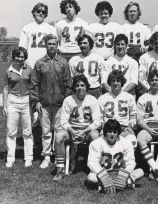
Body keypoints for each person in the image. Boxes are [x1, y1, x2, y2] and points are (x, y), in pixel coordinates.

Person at [30, 34, 71, 169]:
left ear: (57, 45)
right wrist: (36, 101)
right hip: (45, 103)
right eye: (49, 44)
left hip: (60, 103)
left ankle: (58, 155)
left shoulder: (63, 62)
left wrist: (66, 100)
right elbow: (34, 83)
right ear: (45, 45)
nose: (52, 46)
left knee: (59, 131)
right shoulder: (40, 63)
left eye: (54, 43)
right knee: (46, 131)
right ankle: (46, 156)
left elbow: (68, 83)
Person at [53, 74, 101, 181]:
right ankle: (60, 170)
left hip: (86, 132)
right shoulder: (68, 100)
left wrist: (85, 130)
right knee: (59, 136)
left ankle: (94, 169)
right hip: (71, 132)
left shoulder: (93, 100)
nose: (80, 88)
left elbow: (98, 121)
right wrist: (72, 130)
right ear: (74, 87)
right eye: (77, 85)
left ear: (86, 87)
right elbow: (63, 120)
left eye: (82, 85)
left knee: (95, 135)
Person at [85, 119, 144, 194]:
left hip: (120, 173)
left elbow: (131, 162)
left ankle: (108, 186)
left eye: (115, 132)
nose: (112, 134)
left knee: (140, 171)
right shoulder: (96, 143)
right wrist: (104, 177)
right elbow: (92, 162)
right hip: (103, 173)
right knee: (91, 177)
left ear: (118, 133)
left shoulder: (126, 142)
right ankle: (125, 184)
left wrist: (123, 175)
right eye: (109, 131)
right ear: (105, 132)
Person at [3, 47, 33, 168]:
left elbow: (33, 85)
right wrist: (4, 105)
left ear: (25, 58)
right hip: (13, 102)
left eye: (22, 56)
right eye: (17, 56)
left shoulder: (29, 69)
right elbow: (5, 88)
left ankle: (29, 158)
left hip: (26, 101)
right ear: (14, 57)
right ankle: (10, 158)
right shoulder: (8, 71)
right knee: (11, 131)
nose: (20, 59)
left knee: (27, 131)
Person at [98, 70, 137, 148]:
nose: (115, 83)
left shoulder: (129, 97)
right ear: (110, 82)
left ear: (122, 83)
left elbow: (133, 115)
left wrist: (129, 127)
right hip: (108, 129)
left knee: (133, 142)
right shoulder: (102, 98)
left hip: (124, 128)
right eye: (113, 81)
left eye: (118, 81)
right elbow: (100, 117)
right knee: (102, 144)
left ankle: (128, 160)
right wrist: (103, 128)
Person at [69, 34, 109, 98]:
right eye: (80, 43)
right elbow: (72, 78)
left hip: (94, 89)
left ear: (90, 44)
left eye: (85, 43)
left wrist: (101, 89)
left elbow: (103, 76)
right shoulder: (73, 60)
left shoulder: (99, 58)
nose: (82, 45)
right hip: (79, 89)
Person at [19, 2, 57, 68]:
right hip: (30, 64)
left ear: (45, 14)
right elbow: (22, 48)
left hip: (47, 65)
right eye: (39, 11)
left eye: (43, 12)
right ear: (34, 12)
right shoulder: (26, 28)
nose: (41, 13)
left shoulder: (51, 29)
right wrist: (26, 63)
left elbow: (55, 49)